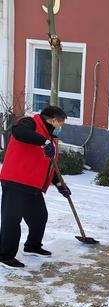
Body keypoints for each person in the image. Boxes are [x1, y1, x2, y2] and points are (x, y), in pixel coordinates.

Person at [0, 106, 71, 270]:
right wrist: (44, 142)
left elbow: (49, 166)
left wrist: (60, 184)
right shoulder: (29, 123)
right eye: (60, 122)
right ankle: (5, 255)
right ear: (52, 120)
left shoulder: (50, 139)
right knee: (12, 220)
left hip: (33, 186)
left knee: (39, 217)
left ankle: (32, 246)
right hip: (15, 181)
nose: (61, 126)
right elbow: (18, 133)